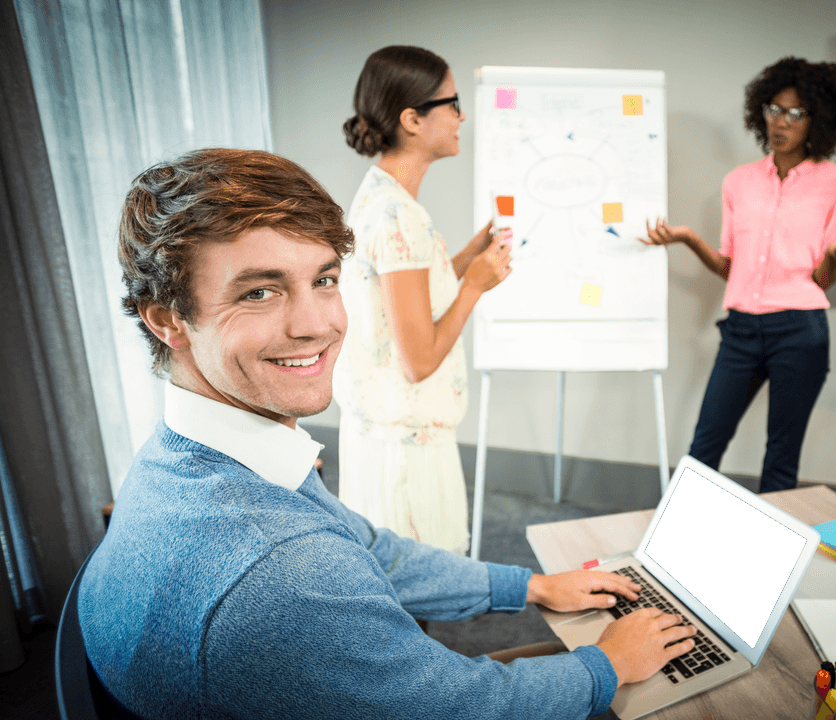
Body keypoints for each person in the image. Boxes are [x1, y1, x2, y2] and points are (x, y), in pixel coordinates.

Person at [78, 147, 697, 720]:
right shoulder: (285, 573)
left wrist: (529, 586)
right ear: (168, 321)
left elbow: (368, 548)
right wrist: (607, 666)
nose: (318, 324)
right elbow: (460, 707)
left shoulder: (179, 457)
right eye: (260, 292)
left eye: (323, 279)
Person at [640, 57, 836, 493]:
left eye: (795, 113)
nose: (779, 122)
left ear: (819, 119)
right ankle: (675, 548)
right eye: (773, 109)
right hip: (742, 331)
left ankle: (768, 559)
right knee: (705, 445)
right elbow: (732, 268)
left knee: (781, 459)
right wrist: (690, 238)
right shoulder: (739, 182)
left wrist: (834, 256)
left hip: (799, 331)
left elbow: (823, 280)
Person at [334, 46, 509, 553]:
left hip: (385, 438)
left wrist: (464, 260)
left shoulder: (381, 198)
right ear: (412, 119)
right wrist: (474, 285)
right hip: (406, 453)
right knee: (418, 597)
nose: (462, 115)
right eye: (452, 103)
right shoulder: (398, 215)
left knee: (402, 595)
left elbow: (400, 301)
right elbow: (418, 359)